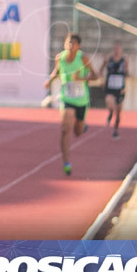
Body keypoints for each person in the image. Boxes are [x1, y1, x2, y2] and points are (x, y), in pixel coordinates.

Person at [44, 33, 99, 175]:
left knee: (78, 132)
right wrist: (49, 81)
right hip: (67, 98)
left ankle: (82, 124)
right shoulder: (59, 58)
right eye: (67, 43)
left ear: (78, 46)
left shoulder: (83, 58)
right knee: (65, 129)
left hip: (81, 100)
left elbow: (95, 75)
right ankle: (66, 162)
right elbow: (56, 72)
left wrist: (81, 78)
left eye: (72, 44)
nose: (69, 46)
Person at [102, 41, 128, 139]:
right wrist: (103, 79)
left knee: (119, 112)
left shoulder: (124, 60)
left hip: (120, 88)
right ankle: (110, 112)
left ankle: (116, 130)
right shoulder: (109, 59)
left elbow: (126, 74)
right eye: (115, 48)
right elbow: (102, 69)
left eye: (118, 49)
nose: (117, 50)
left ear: (121, 50)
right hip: (110, 88)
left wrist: (125, 87)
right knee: (110, 103)